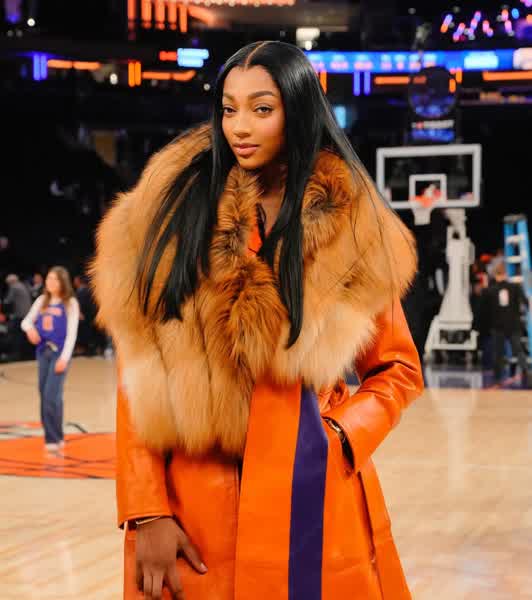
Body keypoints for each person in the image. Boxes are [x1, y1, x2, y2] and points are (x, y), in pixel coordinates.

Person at [90, 41, 424, 600]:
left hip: (316, 500)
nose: (240, 126)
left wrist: (339, 438)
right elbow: (138, 367)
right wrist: (146, 510)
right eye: (229, 109)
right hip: (196, 508)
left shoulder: (356, 231)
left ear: (299, 110)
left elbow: (398, 369)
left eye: (262, 108)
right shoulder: (167, 219)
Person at [21, 266, 80, 452]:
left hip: (59, 354)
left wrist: (64, 358)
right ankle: (58, 435)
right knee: (48, 396)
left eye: (54, 279)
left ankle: (51, 439)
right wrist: (30, 329)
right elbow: (25, 321)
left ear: (63, 282)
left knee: (50, 396)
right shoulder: (41, 301)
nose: (50, 282)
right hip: (42, 353)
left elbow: (72, 334)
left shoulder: (70, 303)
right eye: (48, 279)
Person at [483, 262, 530, 385]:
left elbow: (486, 311)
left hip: (498, 326)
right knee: (519, 351)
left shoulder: (491, 290)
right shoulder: (515, 287)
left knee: (498, 353)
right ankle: (527, 374)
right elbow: (525, 303)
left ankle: (497, 378)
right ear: (506, 274)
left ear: (495, 275)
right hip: (513, 324)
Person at [3, 273, 33, 360]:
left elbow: (8, 301)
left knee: (14, 334)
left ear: (11, 282)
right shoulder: (22, 285)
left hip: (20, 315)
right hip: (27, 314)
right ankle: (26, 354)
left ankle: (15, 355)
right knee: (24, 335)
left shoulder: (14, 287)